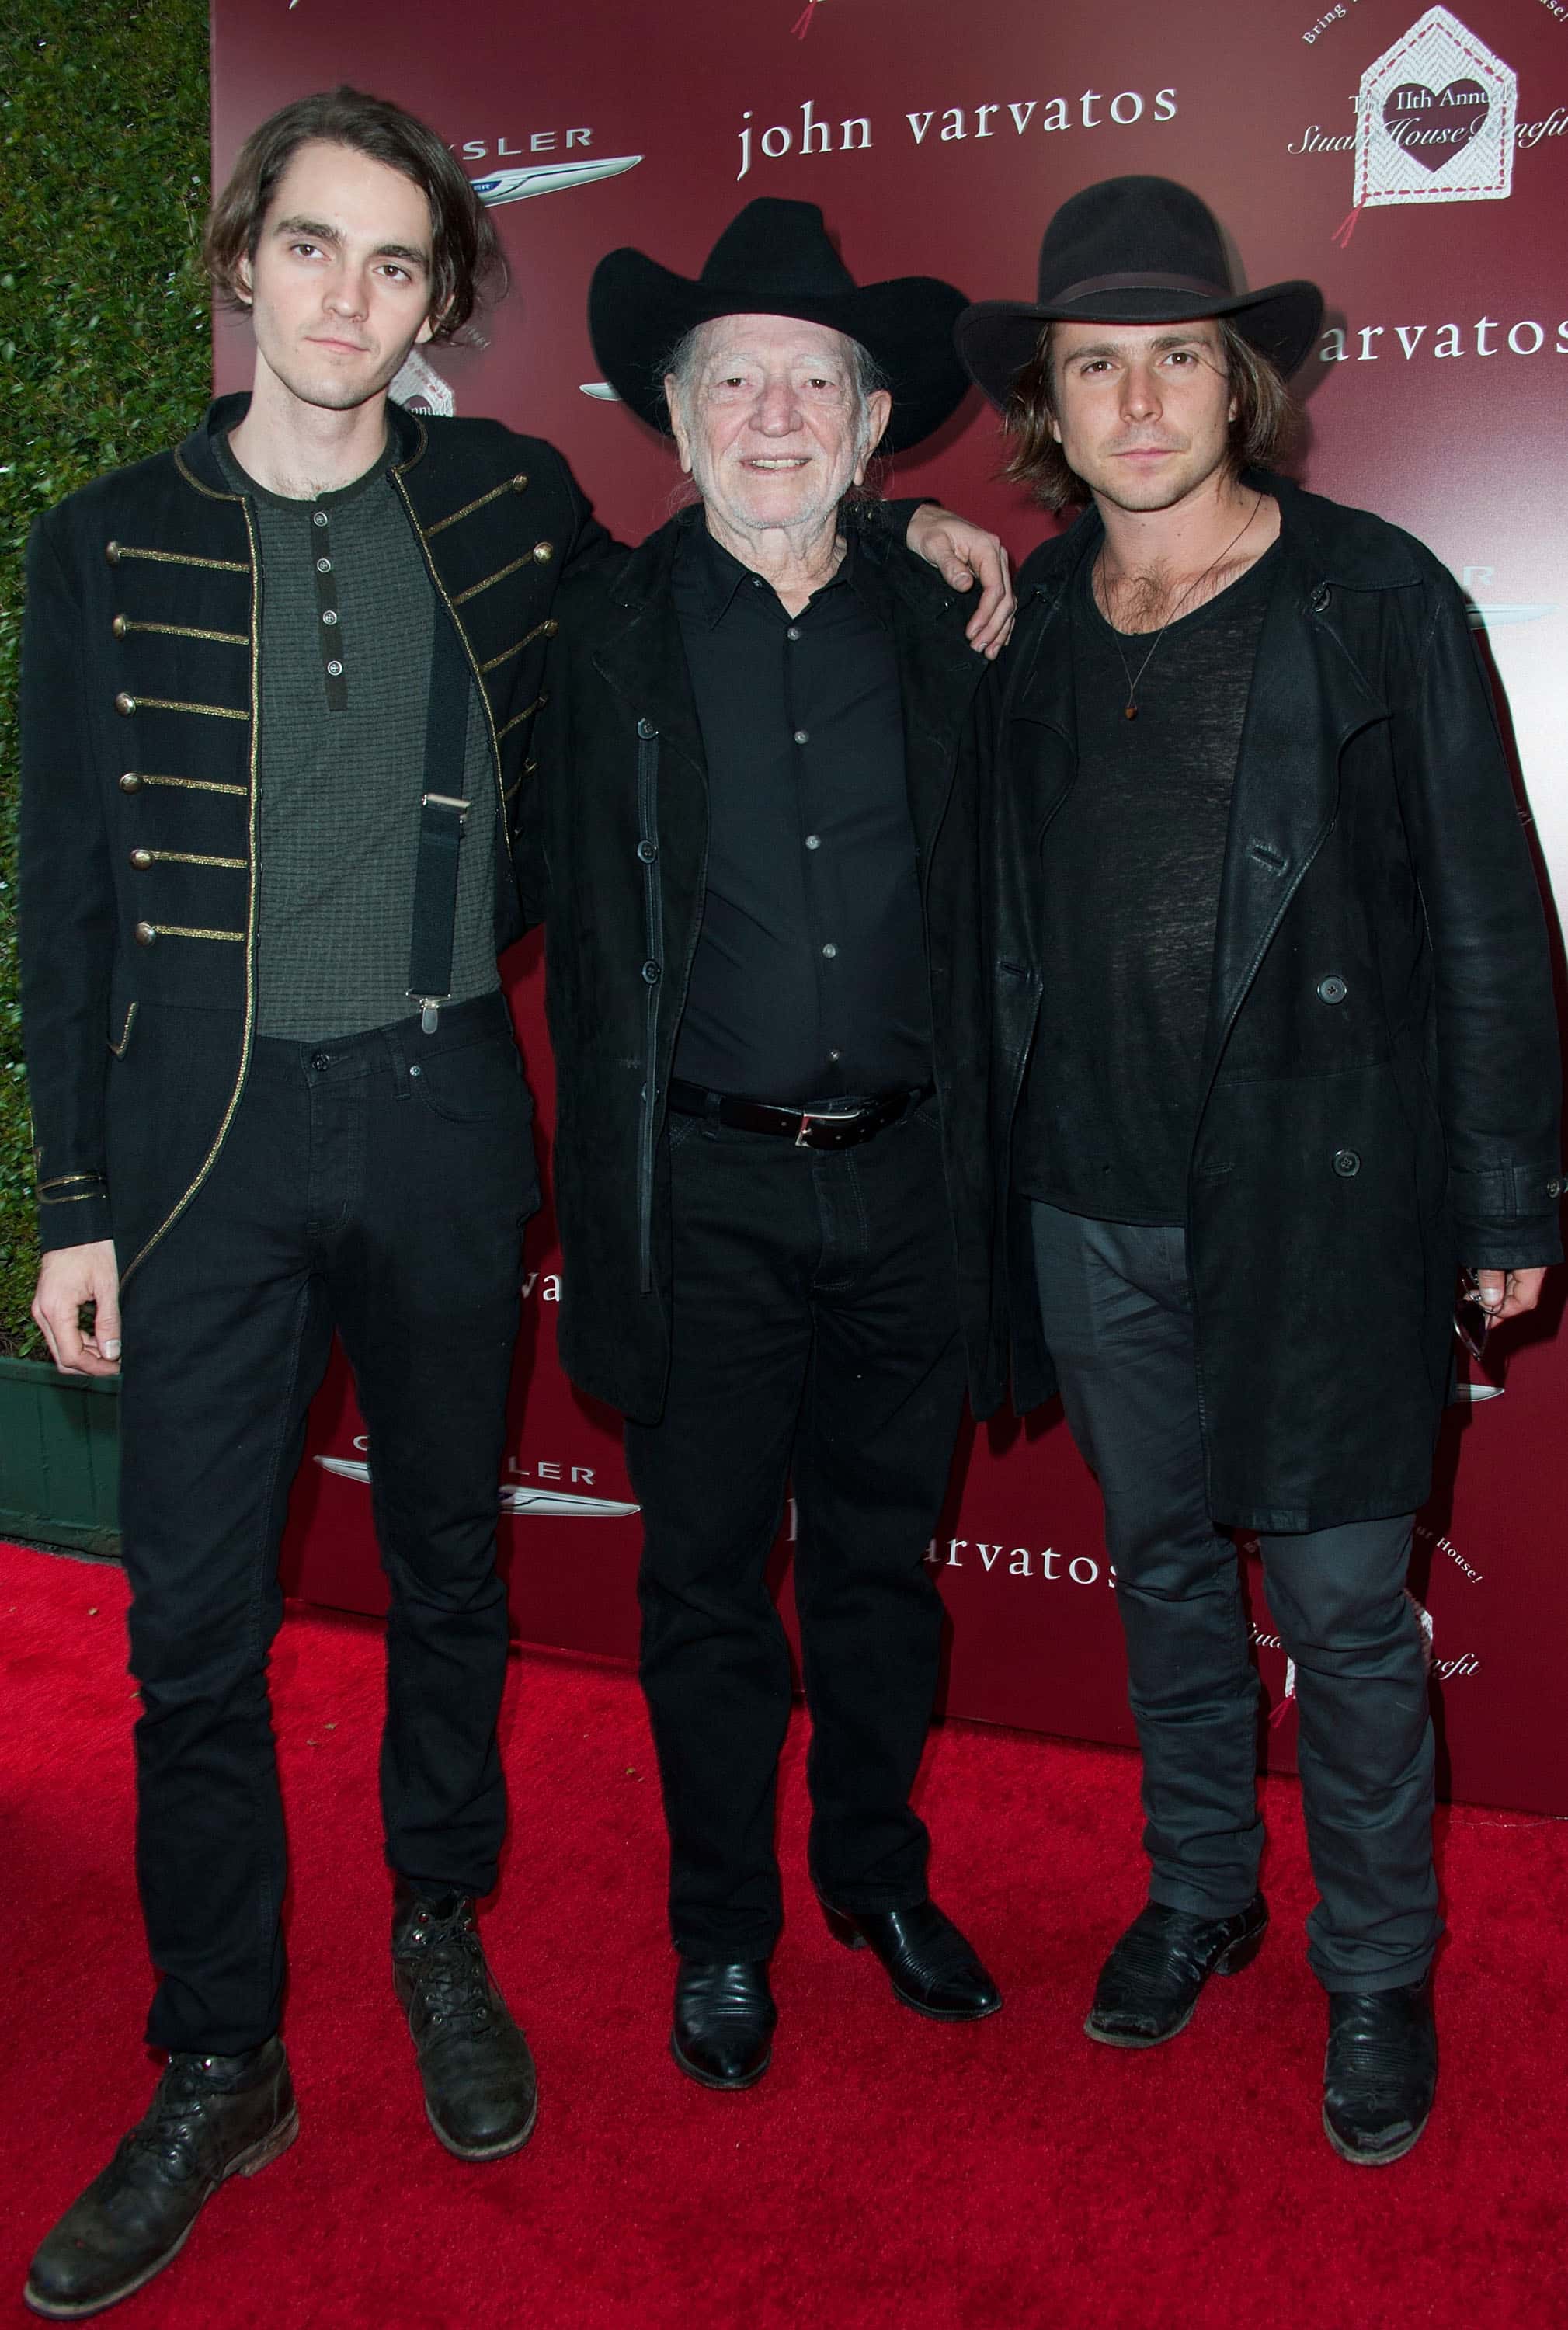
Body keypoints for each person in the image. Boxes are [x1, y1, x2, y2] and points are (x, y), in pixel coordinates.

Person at [18, 92, 1010, 2320]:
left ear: (440, 301)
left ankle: (437, 1929)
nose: (345, 298)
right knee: (187, 1638)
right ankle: (217, 2056)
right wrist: (71, 1191)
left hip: (456, 1117)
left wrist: (937, 538)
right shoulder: (105, 540)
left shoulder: (512, 504)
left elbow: (736, 581)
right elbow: (68, 884)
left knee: (453, 1566)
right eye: (309, 250)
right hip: (199, 1147)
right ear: (240, 262)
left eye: (392, 264)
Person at [956, 175, 1562, 2165]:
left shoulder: (1372, 598)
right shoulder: (1032, 611)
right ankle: (1202, 1892)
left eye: (1176, 359)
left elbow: (1489, 920)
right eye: (1094, 365)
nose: (1137, 402)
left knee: (1342, 1605)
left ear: (1240, 384)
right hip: (1088, 1200)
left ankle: (1374, 1967)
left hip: (1318, 1196)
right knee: (1154, 1572)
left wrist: (1501, 1200)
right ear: (1048, 402)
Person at [523, 198, 1007, 2092]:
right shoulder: (598, 629)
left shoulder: (959, 620)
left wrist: (919, 542)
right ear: (675, 411)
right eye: (735, 376)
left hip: (908, 1180)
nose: (777, 410)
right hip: (699, 1186)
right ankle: (719, 1928)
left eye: (818, 378)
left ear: (877, 427)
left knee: (885, 1572)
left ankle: (871, 1877)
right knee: (708, 1587)